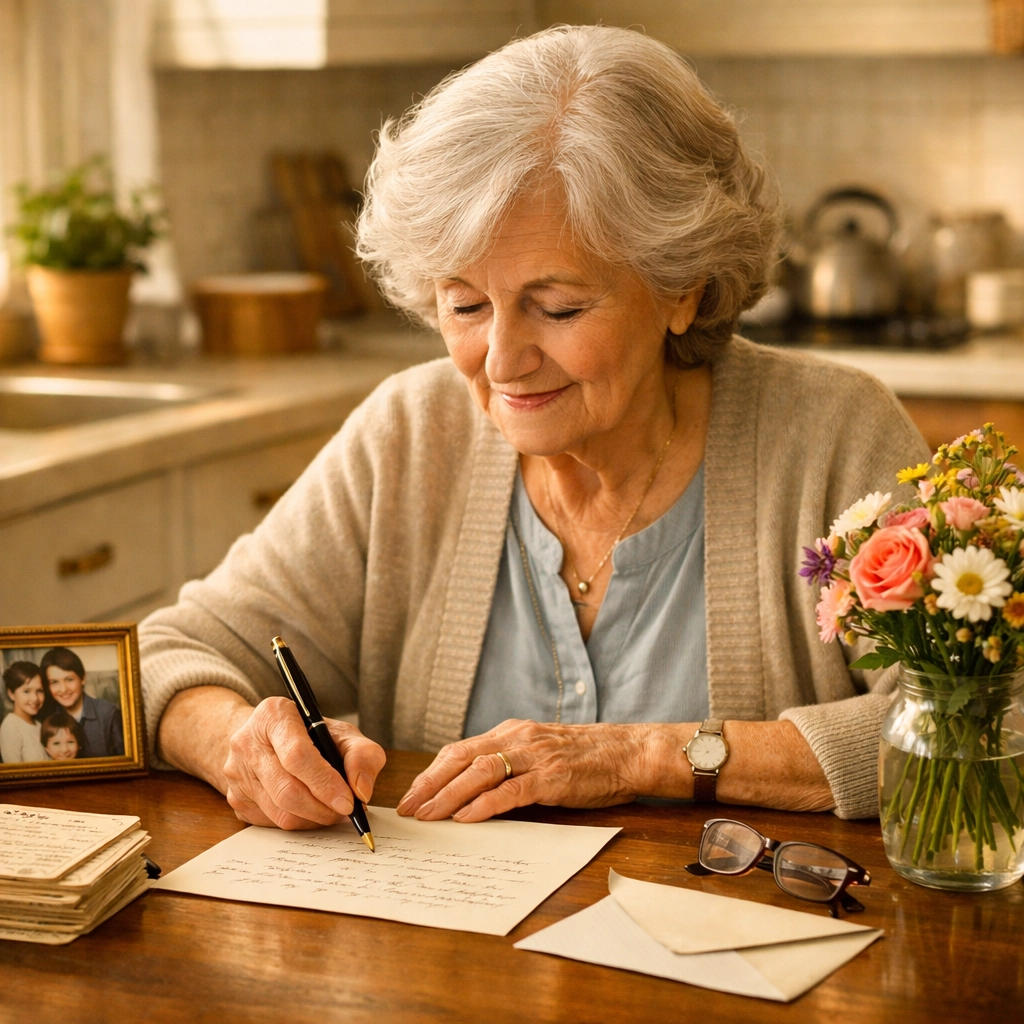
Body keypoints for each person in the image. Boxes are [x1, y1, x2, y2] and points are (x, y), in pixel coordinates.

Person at [139, 25, 928, 832]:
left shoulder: (833, 436)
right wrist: (241, 742)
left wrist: (641, 756)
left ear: (682, 288)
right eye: (465, 304)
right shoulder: (411, 435)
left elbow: (974, 724)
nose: (503, 360)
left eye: (558, 308)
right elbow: (165, 655)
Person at [40, 648, 124, 758]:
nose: (63, 689)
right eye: (54, 682)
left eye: (69, 679)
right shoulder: (46, 718)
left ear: (83, 678)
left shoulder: (109, 714)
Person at [1, 662, 48, 763]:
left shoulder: (39, 724)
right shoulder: (10, 727)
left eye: (40, 691)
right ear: (11, 694)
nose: (35, 698)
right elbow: (14, 771)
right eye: (26, 691)